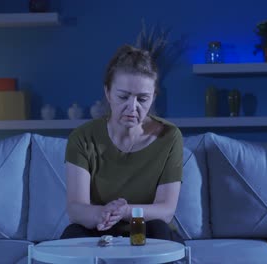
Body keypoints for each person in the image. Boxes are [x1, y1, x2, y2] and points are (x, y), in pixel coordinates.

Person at [61, 44, 184, 244]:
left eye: (142, 99)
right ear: (108, 93)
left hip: (149, 229)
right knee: (73, 233)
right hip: (99, 229)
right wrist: (103, 213)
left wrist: (126, 211)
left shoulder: (169, 136)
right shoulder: (82, 137)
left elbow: (166, 210)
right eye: (123, 96)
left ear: (153, 97)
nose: (132, 107)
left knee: (160, 228)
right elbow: (76, 208)